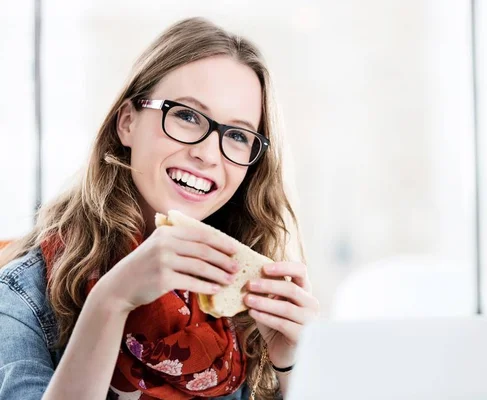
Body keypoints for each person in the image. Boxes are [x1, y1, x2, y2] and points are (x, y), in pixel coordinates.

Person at [0, 17, 319, 400]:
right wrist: (111, 301)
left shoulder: (239, 310)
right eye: (186, 115)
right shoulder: (22, 297)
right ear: (127, 122)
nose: (206, 154)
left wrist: (293, 365)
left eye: (236, 135)